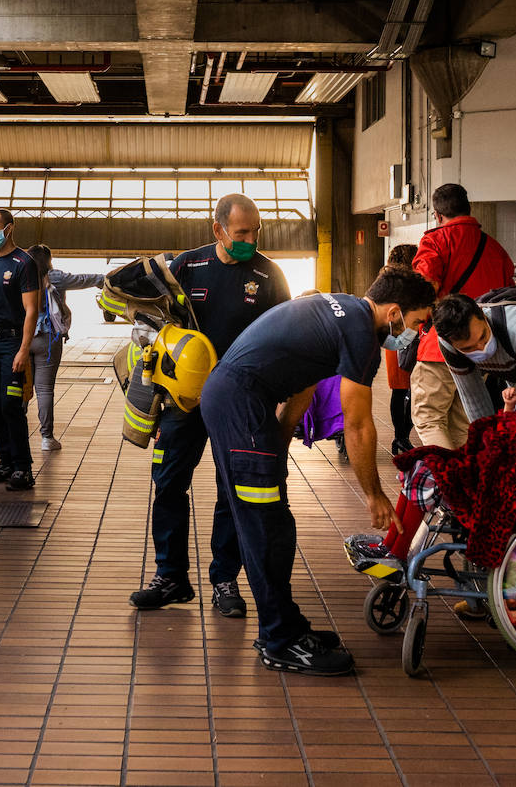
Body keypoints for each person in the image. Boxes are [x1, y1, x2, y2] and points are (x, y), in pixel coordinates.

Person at [200, 267, 437, 675]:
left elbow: (304, 385)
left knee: (275, 524)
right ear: (395, 313)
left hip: (237, 402)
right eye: (417, 323)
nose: (416, 332)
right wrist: (373, 494)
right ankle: (279, 641)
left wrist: (277, 447)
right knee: (266, 528)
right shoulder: (361, 333)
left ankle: (285, 627)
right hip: (240, 405)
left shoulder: (342, 309)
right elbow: (358, 423)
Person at [130, 194, 291, 621]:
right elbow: (151, 324)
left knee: (231, 492)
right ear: (217, 229)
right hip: (184, 402)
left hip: (240, 405)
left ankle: (225, 580)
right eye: (242, 233)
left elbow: (282, 341)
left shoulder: (269, 275)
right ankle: (171, 577)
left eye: (256, 231)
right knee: (167, 485)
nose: (250, 240)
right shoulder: (185, 266)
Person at [347, 341, 516, 578]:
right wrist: (509, 410)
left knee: (429, 471)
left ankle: (396, 553)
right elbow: (513, 435)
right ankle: (391, 546)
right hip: (500, 473)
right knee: (422, 463)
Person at [409, 183, 514, 450]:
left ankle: (446, 482)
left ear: (437, 214)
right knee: (463, 425)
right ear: (469, 209)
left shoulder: (435, 241)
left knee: (428, 418)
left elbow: (425, 288)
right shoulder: (496, 250)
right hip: (480, 350)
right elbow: (507, 299)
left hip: (440, 347)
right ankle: (466, 481)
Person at [0, 209, 40, 491]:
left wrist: (23, 350)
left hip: (11, 345)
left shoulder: (24, 263)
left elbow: (31, 310)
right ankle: (5, 462)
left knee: (11, 405)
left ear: (9, 228)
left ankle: (22, 467)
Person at [25, 244, 104, 451]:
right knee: (44, 390)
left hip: (23, 338)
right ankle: (46, 438)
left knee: (22, 389)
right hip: (48, 339)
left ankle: (18, 435)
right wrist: (105, 280)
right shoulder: (56, 277)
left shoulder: (21, 275)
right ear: (49, 260)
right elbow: (84, 279)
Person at [433, 292, 516, 424]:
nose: (481, 348)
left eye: (483, 337)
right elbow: (473, 398)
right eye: (468, 348)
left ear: (484, 315)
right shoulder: (449, 345)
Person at [385, 243, 418, 454]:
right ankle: (402, 436)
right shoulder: (409, 283)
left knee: (399, 391)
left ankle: (400, 437)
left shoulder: (386, 281)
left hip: (393, 340)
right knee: (411, 390)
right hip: (409, 338)